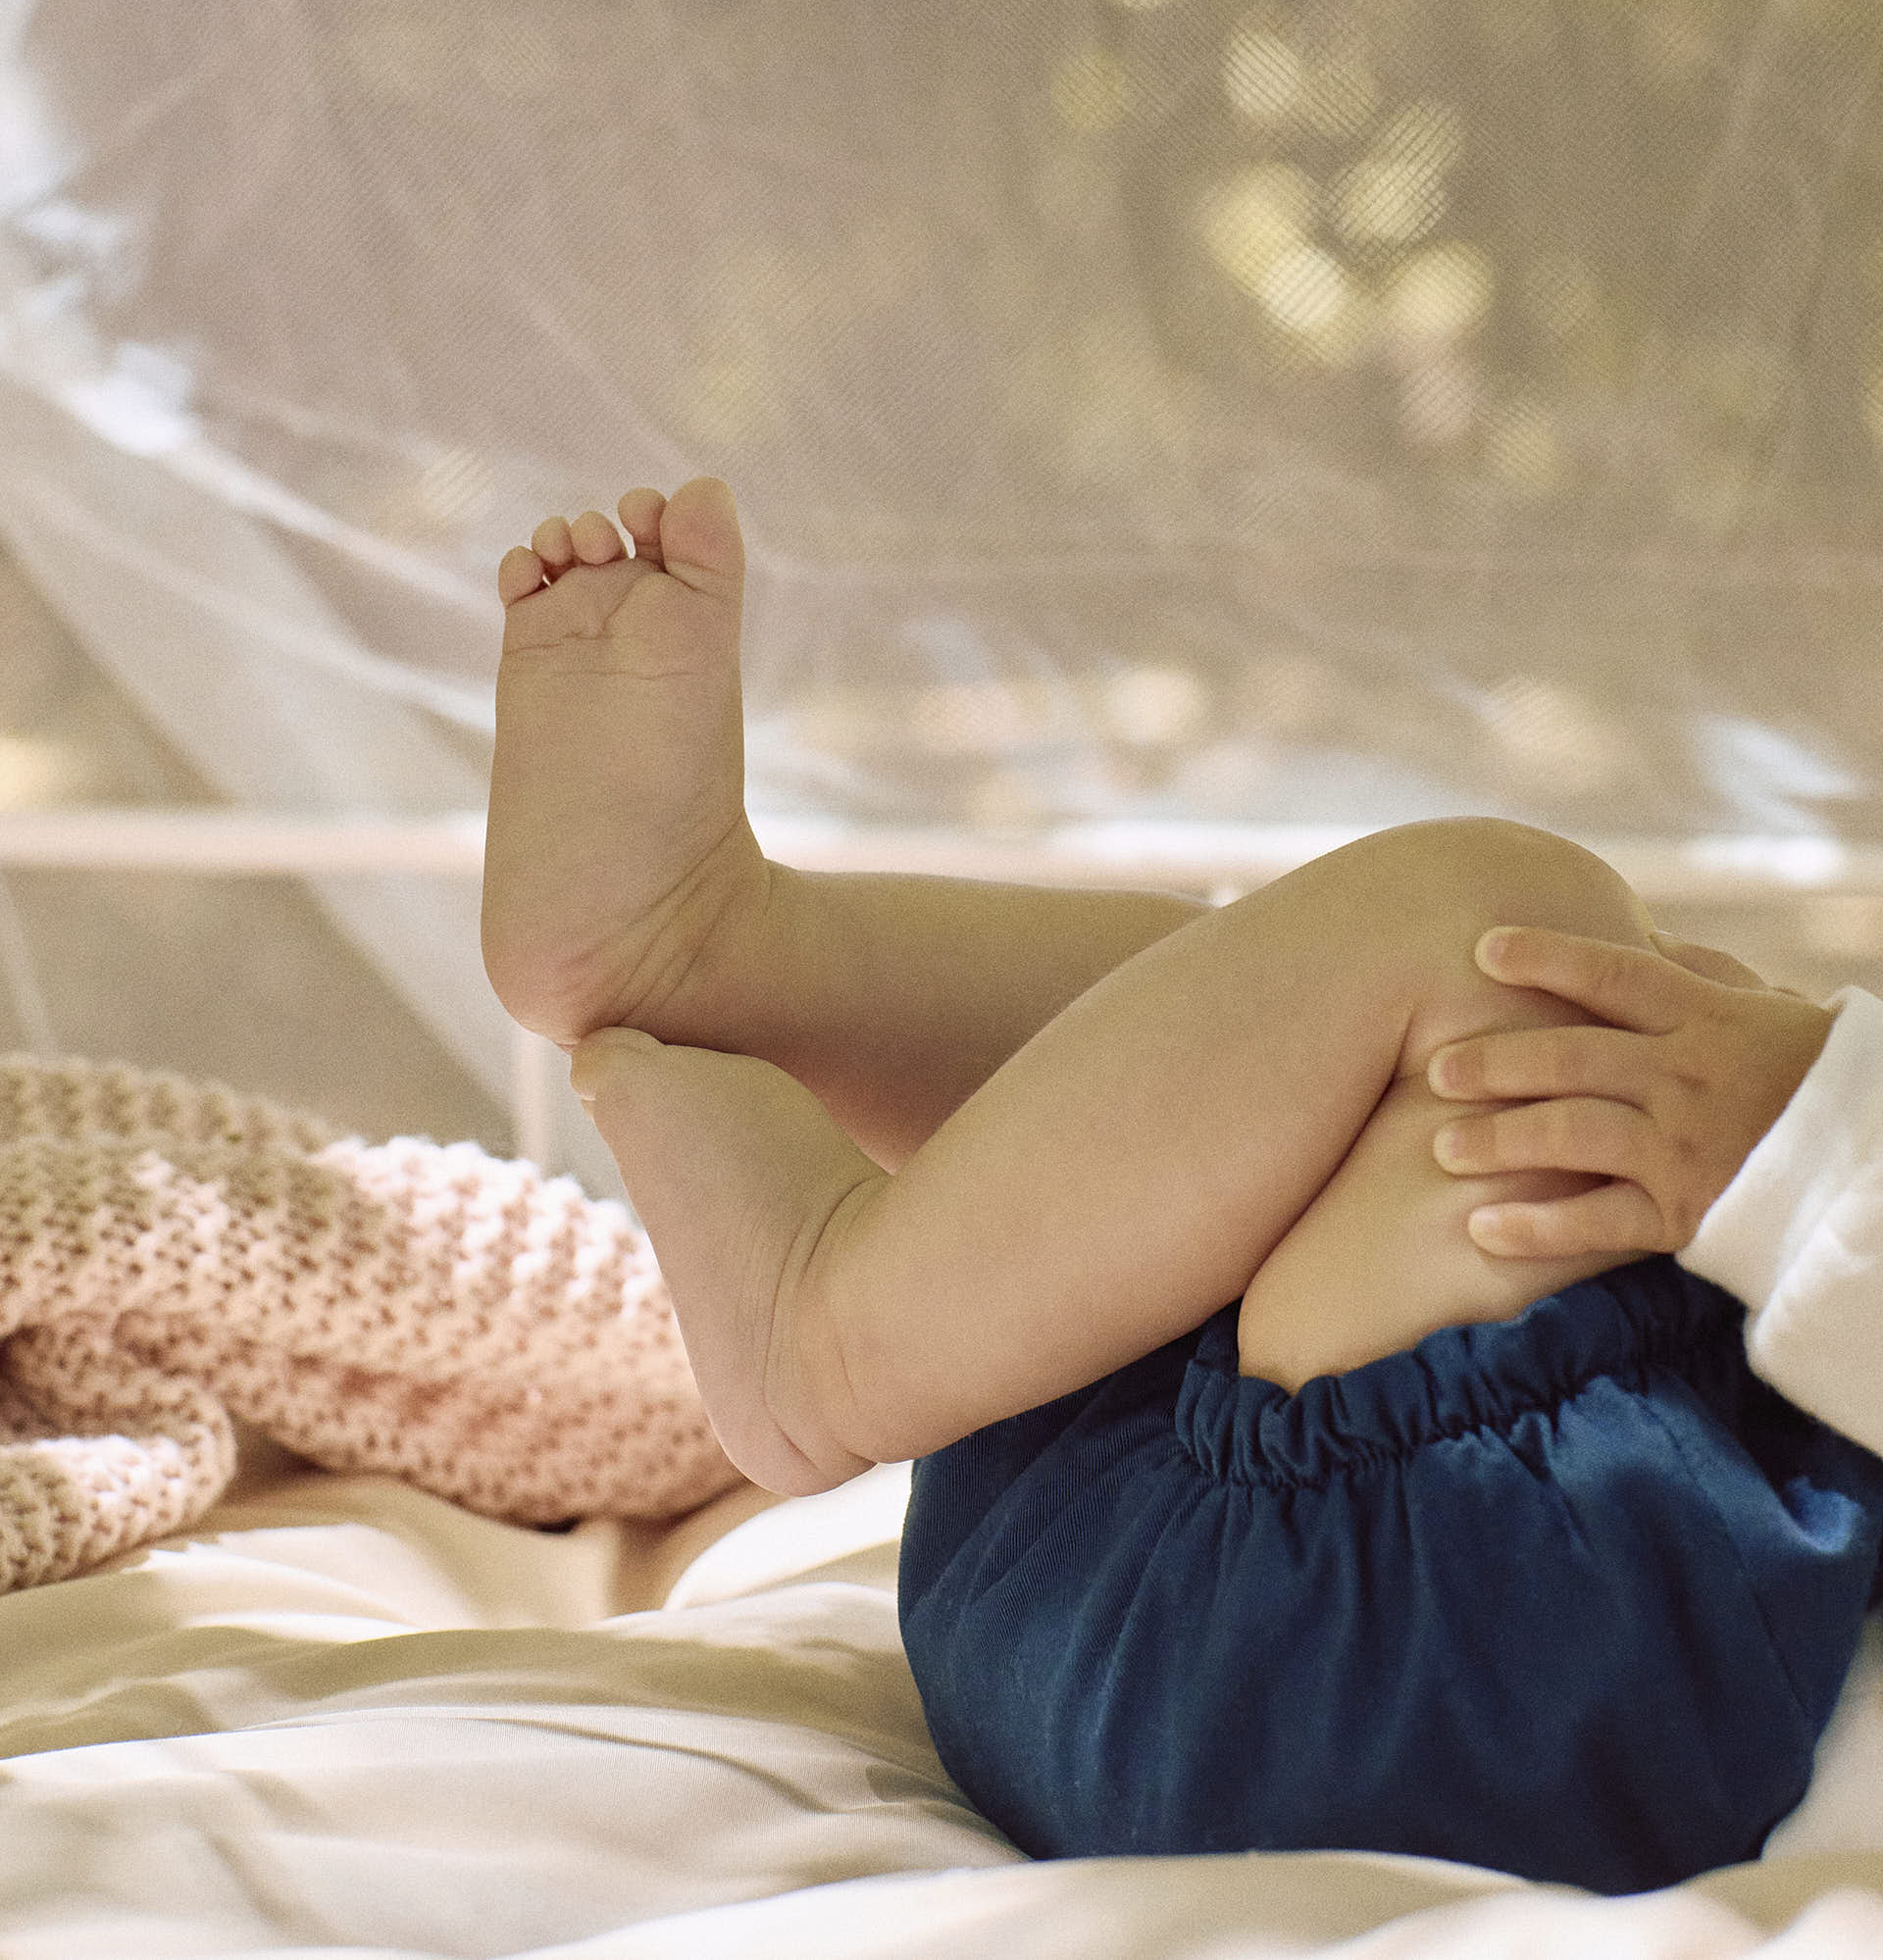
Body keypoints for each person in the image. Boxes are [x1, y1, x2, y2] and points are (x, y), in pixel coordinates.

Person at [481, 476, 1883, 1898]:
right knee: (1282, 1049)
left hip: (1458, 1687)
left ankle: (827, 1341)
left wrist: (1820, 1139)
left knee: (1512, 949)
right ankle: (718, 954)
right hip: (1183, 1568)